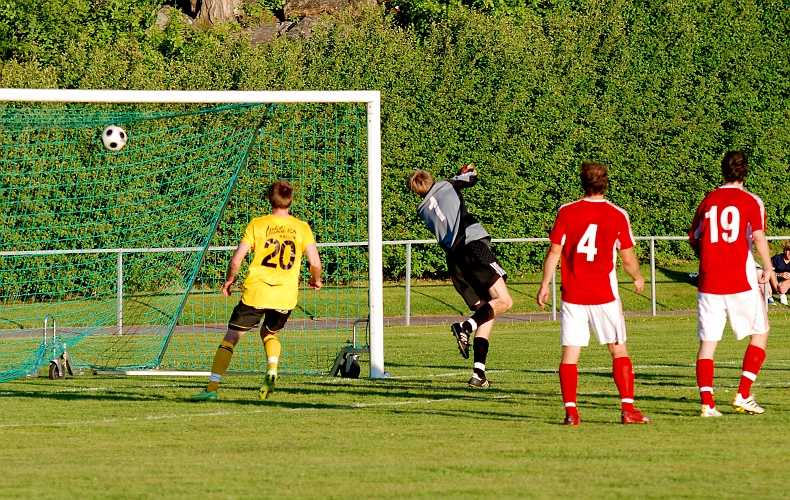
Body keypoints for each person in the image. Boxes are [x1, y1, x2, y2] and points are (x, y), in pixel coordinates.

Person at [537, 162, 651, 426]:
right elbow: (628, 258)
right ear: (605, 183)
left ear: (582, 183)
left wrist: (545, 284)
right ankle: (628, 410)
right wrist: (637, 277)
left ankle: (571, 413)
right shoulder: (617, 214)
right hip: (604, 295)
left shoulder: (567, 212)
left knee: (570, 354)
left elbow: (554, 252)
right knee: (618, 349)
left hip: (573, 295)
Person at [191, 179, 322, 401]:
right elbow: (316, 263)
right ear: (291, 200)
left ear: (270, 198)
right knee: (269, 333)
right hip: (285, 296)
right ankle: (272, 367)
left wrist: (229, 280)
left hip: (256, 292)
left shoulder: (257, 224)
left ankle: (212, 389)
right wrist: (315, 279)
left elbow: (236, 260)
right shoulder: (302, 228)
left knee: (232, 337)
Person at [407, 164, 513, 389]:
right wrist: (466, 170)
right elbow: (471, 177)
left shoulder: (422, 210)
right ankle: (464, 326)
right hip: (472, 247)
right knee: (504, 301)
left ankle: (478, 374)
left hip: (455, 262)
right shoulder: (446, 185)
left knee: (486, 311)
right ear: (431, 178)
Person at [689, 151, 772, 417]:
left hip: (709, 281)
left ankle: (707, 404)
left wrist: (707, 257)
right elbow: (758, 237)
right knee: (760, 332)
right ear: (745, 171)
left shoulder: (709, 200)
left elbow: (694, 237)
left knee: (708, 343)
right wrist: (768, 266)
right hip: (740, 280)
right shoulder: (751, 201)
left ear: (722, 170)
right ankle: (743, 395)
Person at [769, 240, 790, 305]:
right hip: (775, 283)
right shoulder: (777, 259)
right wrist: (779, 274)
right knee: (771, 273)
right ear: (785, 250)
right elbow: (767, 270)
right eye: (788, 250)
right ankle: (781, 294)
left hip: (787, 283)